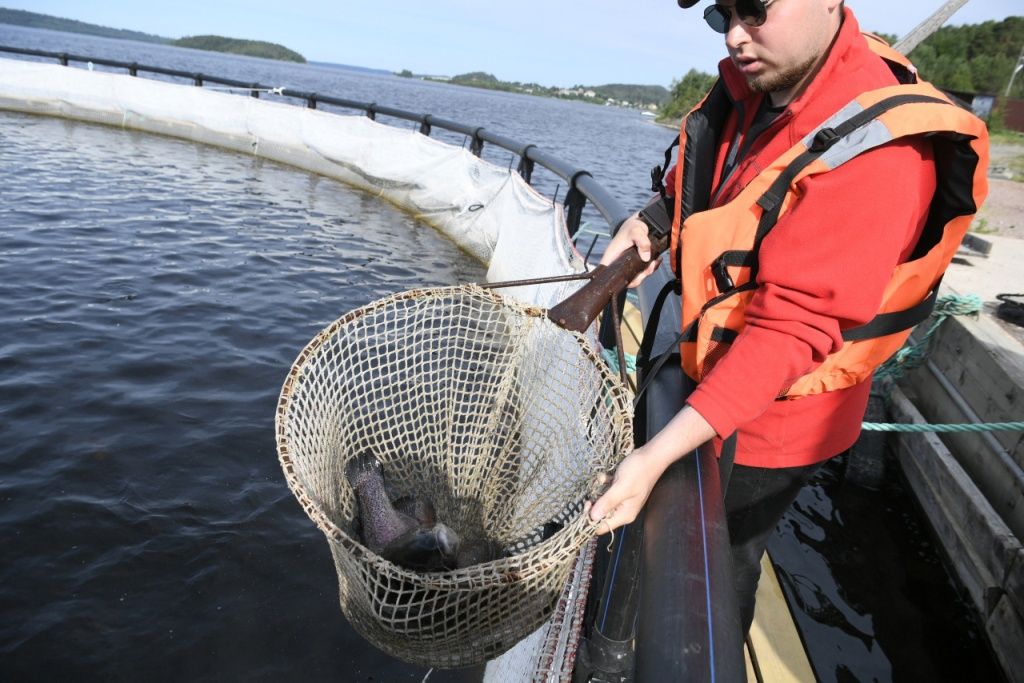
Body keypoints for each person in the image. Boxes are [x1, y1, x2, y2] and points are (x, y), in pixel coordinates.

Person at [588, 0, 988, 633]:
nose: (738, 35)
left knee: (716, 579)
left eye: (755, 9)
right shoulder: (768, 81)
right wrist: (652, 224)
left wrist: (655, 454)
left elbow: (791, 331)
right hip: (708, 367)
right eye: (723, 16)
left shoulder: (880, 151)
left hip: (773, 425)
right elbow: (708, 186)